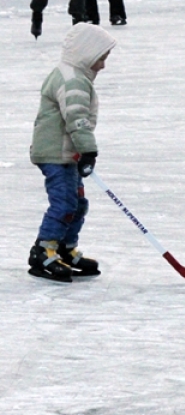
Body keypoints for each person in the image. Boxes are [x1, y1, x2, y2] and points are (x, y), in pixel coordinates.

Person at [28, 23, 116, 283]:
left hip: (66, 153)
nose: (102, 65)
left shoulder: (72, 74)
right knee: (65, 203)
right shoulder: (73, 80)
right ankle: (44, 249)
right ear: (86, 53)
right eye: (101, 58)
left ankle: (64, 247)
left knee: (77, 203)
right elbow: (76, 119)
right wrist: (88, 150)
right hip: (57, 154)